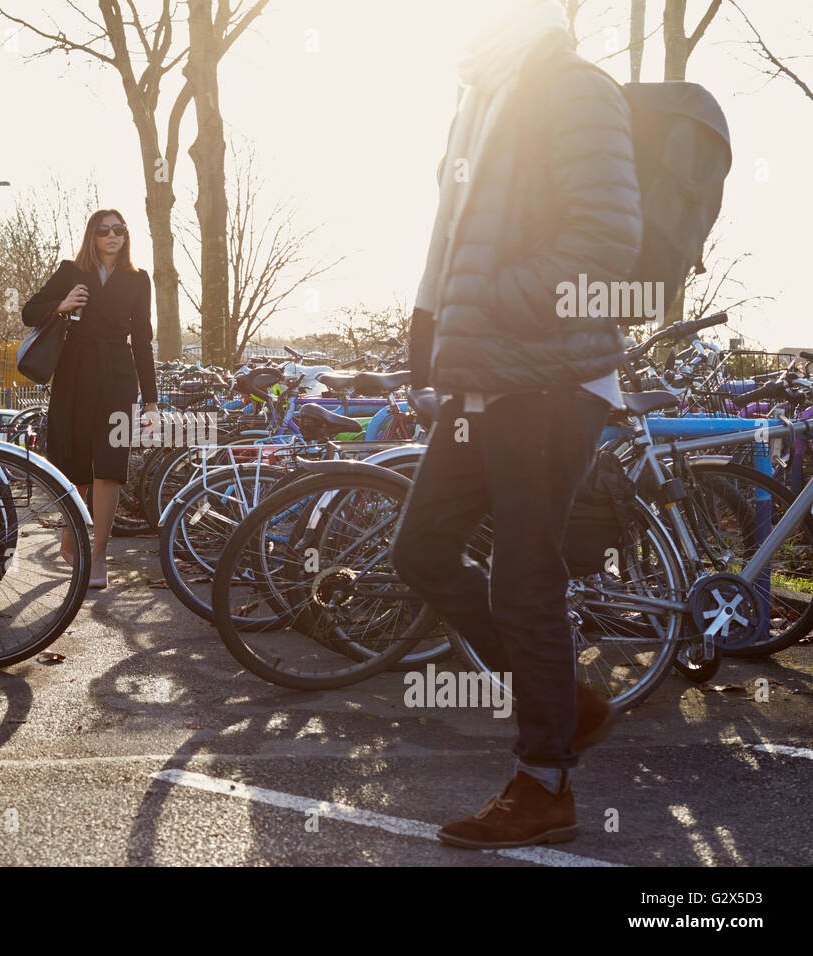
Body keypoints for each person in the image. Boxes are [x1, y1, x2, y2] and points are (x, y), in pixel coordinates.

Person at [390, 0, 641, 849]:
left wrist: (495, 303)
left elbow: (607, 240)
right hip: (481, 384)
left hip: (549, 378)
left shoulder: (573, 88)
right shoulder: (479, 99)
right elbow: (453, 242)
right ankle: (567, 706)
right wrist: (435, 342)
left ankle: (545, 786)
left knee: (523, 577)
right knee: (420, 548)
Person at [22, 209, 159, 588]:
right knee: (73, 462)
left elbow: (144, 341)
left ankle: (98, 558)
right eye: (104, 231)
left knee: (110, 466)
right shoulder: (70, 271)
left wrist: (151, 401)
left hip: (118, 375)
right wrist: (61, 305)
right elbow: (28, 312)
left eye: (119, 229)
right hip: (74, 373)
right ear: (92, 236)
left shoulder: (137, 278)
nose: (113, 236)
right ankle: (72, 537)